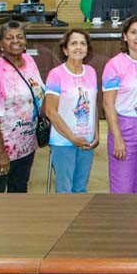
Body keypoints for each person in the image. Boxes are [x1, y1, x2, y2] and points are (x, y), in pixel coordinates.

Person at [0, 20, 43, 193]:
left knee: (19, 192)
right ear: (0, 43)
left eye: (19, 37)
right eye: (9, 38)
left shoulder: (30, 61)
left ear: (25, 41)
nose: (15, 41)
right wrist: (1, 154)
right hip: (2, 148)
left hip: (26, 144)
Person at [102, 16, 137, 193]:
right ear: (125, 36)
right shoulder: (115, 65)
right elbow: (108, 104)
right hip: (125, 127)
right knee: (123, 188)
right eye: (133, 32)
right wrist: (117, 137)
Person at [44, 29, 99, 193]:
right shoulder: (56, 74)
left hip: (86, 143)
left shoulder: (91, 72)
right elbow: (50, 111)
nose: (78, 47)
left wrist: (95, 134)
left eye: (83, 43)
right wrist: (72, 138)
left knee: (81, 189)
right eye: (74, 43)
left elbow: (94, 105)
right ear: (65, 49)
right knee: (64, 190)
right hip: (63, 143)